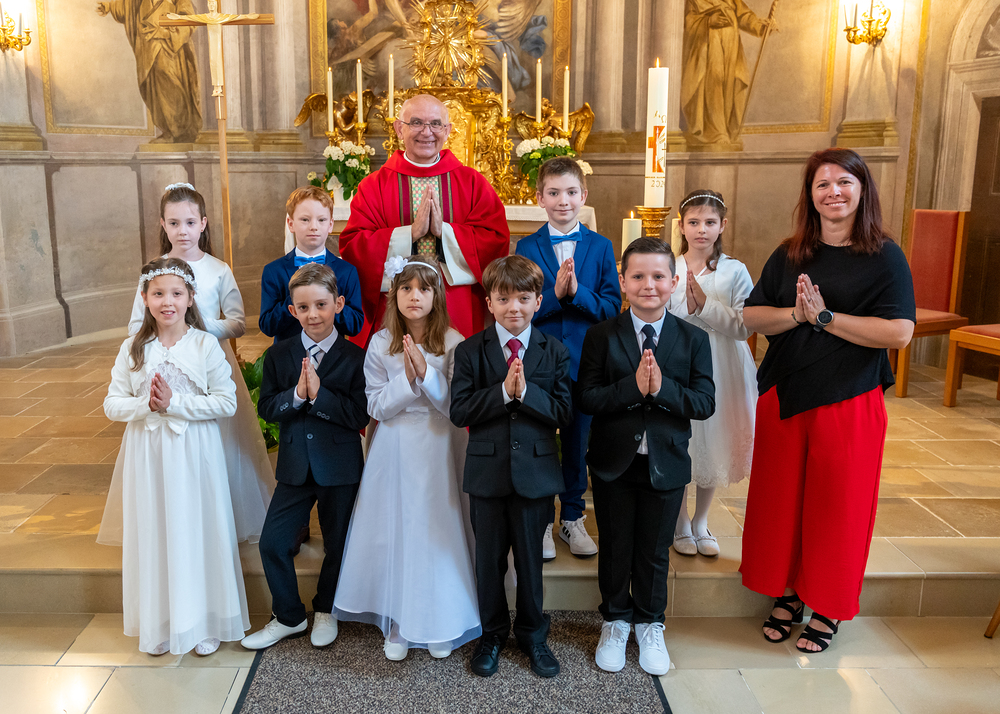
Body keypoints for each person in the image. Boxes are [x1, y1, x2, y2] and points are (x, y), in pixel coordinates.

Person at [740, 148, 915, 653]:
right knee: (781, 503)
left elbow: (899, 332)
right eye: (822, 184)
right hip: (786, 394)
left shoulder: (885, 256)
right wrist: (797, 315)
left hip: (849, 398)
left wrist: (826, 318)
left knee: (838, 507)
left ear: (862, 189)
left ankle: (828, 605)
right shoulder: (790, 253)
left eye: (844, 182)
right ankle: (788, 593)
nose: (833, 192)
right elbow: (753, 316)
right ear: (810, 195)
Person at [105, 182, 272, 545]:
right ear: (163, 225)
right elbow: (135, 325)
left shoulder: (218, 269)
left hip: (208, 364)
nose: (183, 230)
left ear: (203, 224)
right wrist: (164, 333)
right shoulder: (153, 274)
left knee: (220, 444)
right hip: (164, 364)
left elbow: (237, 322)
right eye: (174, 223)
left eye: (190, 222)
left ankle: (219, 521)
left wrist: (196, 328)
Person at [577, 237, 715, 675]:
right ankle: (616, 620)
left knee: (655, 550)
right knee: (616, 544)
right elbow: (587, 397)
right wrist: (632, 389)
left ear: (674, 281)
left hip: (666, 462)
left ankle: (651, 623)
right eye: (638, 276)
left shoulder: (693, 339)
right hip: (614, 462)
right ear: (623, 281)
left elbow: (704, 402)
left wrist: (662, 390)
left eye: (658, 276)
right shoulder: (602, 335)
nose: (648, 285)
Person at [334, 256, 480, 661]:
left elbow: (455, 406)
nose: (415, 296)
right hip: (395, 447)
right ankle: (400, 618)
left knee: (436, 529)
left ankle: (440, 616)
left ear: (437, 296)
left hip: (439, 445)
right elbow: (376, 406)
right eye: (406, 288)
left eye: (424, 289)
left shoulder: (453, 341)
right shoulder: (381, 343)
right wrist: (408, 379)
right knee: (400, 528)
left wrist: (427, 376)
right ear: (394, 295)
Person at [102, 257, 247, 656]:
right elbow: (112, 404)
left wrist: (175, 403)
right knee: (156, 531)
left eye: (176, 294)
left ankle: (202, 621)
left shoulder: (204, 344)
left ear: (190, 298)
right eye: (158, 294)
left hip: (194, 453)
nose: (168, 302)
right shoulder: (133, 349)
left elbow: (227, 402)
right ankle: (161, 621)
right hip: (148, 456)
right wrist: (146, 405)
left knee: (195, 529)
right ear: (144, 298)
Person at [450, 255, 573, 679]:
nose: (513, 308)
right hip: (487, 474)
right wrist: (502, 393)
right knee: (489, 562)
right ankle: (492, 633)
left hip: (535, 475)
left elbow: (564, 413)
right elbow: (460, 410)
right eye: (503, 299)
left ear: (539, 301)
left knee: (530, 562)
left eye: (523, 298)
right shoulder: (470, 350)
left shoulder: (554, 351)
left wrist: (527, 394)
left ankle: (533, 635)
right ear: (489, 302)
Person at [241, 263, 369, 651]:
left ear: (338, 304)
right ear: (291, 310)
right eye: (303, 307)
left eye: (321, 305)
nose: (313, 314)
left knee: (338, 543)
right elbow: (267, 406)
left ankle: (327, 608)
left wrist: (320, 397)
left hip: (340, 467)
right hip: (295, 467)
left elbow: (359, 416)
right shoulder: (279, 355)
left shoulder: (356, 357)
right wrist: (297, 396)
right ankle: (289, 616)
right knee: (272, 543)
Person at [514, 157, 621, 561]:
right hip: (541, 362)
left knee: (577, 444)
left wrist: (577, 293)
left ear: (584, 196)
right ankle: (543, 518)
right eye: (554, 193)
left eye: (571, 192)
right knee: (541, 441)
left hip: (586, 362)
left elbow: (611, 308)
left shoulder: (601, 246)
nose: (563, 200)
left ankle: (572, 517)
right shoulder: (527, 247)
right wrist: (556, 297)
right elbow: (521, 308)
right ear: (539, 198)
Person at [339, 93, 510, 344]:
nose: (426, 132)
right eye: (416, 123)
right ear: (399, 128)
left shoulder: (472, 182)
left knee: (456, 361)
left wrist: (445, 232)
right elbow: (354, 245)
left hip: (454, 299)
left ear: (448, 130)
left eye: (435, 124)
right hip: (395, 299)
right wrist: (410, 233)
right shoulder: (374, 186)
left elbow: (495, 239)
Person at [668, 189, 756, 558]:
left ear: (722, 226)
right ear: (681, 226)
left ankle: (701, 520)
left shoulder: (735, 270)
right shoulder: (669, 266)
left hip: (722, 362)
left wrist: (705, 306)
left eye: (709, 222)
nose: (701, 229)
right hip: (679, 363)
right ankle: (679, 521)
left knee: (713, 440)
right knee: (681, 441)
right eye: (694, 222)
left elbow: (745, 325)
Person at [260, 186, 365, 343]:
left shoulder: (346, 271)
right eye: (305, 220)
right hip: (289, 354)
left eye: (321, 220)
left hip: (333, 355)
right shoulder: (274, 271)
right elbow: (267, 326)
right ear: (290, 224)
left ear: (330, 225)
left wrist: (329, 301)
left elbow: (355, 326)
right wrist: (296, 298)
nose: (313, 226)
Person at [96, 0, 202, 144]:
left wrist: (165, 32)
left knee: (171, 84)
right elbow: (129, 6)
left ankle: (180, 131)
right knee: (154, 91)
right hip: (148, 49)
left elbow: (189, 20)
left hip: (170, 50)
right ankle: (168, 131)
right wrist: (110, 7)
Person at [681, 0, 779, 147]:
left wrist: (761, 27)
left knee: (730, 84)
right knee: (715, 79)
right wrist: (708, 21)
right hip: (709, 45)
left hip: (731, 46)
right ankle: (716, 131)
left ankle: (726, 128)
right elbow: (689, 23)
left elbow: (744, 15)